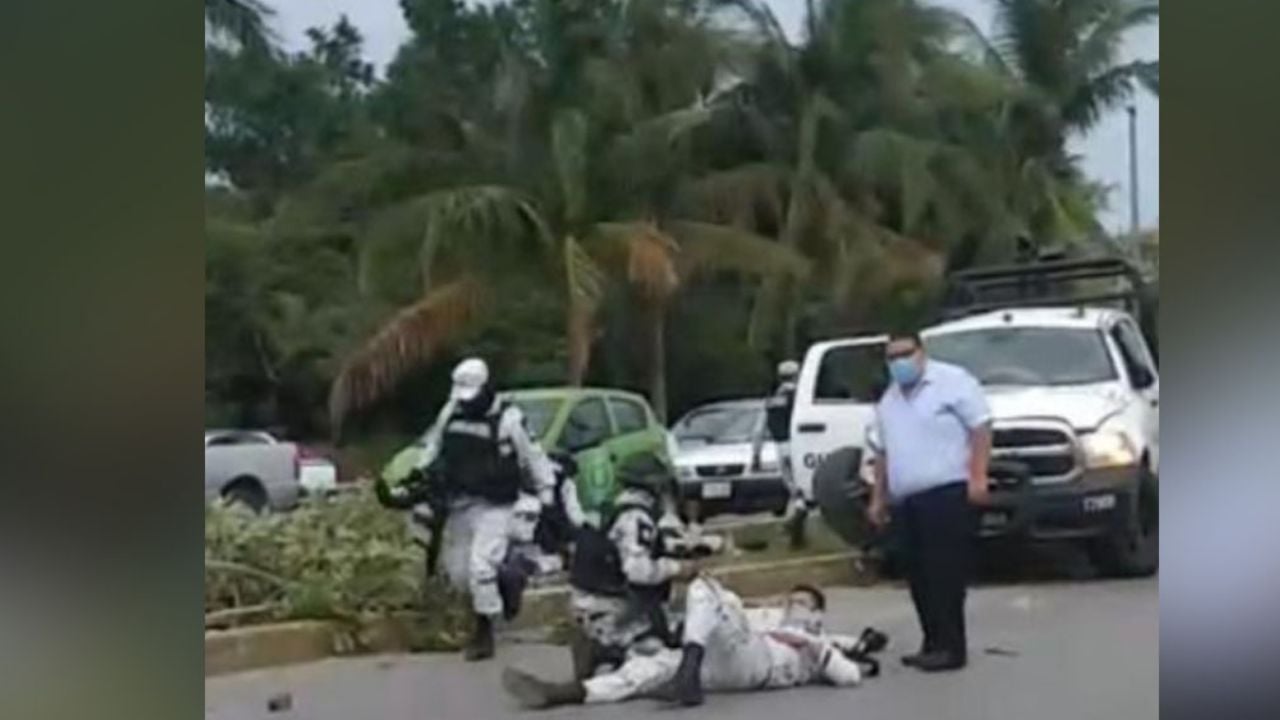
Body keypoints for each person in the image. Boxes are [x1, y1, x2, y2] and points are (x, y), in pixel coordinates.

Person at [385, 357, 558, 661]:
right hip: (459, 504)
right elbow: (433, 446)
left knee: (480, 567)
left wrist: (547, 495)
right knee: (459, 574)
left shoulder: (509, 419)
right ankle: (508, 579)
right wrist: (418, 474)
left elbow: (534, 455)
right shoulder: (451, 411)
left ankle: (484, 632)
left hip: (496, 505)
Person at [501, 577, 888, 709]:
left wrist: (821, 650)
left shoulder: (815, 639)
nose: (791, 605)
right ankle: (564, 693)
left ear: (817, 613)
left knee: (709, 588)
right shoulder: (768, 618)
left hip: (762, 664)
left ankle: (685, 672)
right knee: (647, 668)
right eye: (790, 600)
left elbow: (851, 673)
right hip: (724, 661)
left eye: (801, 602)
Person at [866, 328, 992, 672]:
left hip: (946, 492)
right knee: (917, 574)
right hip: (906, 500)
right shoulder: (889, 401)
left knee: (945, 572)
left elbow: (980, 429)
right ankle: (932, 642)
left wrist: (978, 476)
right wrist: (878, 499)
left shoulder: (952, 382)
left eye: (905, 354)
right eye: (892, 357)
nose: (899, 362)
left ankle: (952, 647)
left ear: (922, 352)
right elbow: (881, 453)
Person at [565, 452, 697, 678]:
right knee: (665, 660)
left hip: (589, 601)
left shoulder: (614, 509)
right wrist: (678, 569)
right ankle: (607, 650)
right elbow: (637, 570)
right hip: (610, 608)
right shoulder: (637, 517)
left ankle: (610, 648)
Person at [753, 359, 809, 549]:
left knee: (793, 490)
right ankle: (796, 519)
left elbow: (759, 430)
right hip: (798, 446)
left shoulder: (771, 400)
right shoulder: (800, 396)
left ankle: (795, 535)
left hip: (780, 447)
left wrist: (756, 454)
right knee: (802, 491)